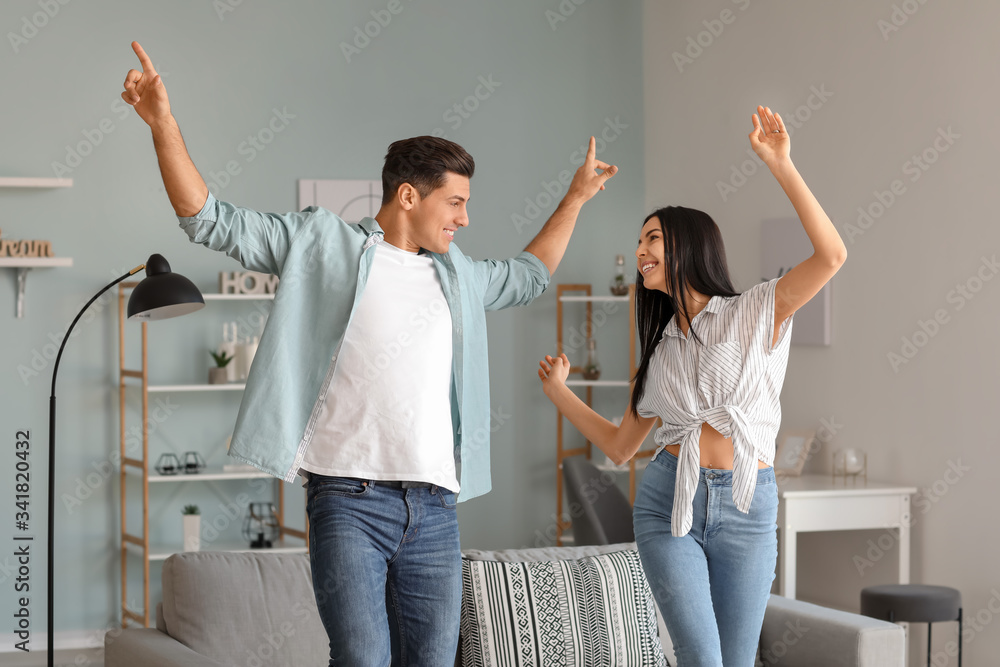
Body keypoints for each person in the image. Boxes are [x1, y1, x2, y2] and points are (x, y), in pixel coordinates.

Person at [121, 41, 617, 665]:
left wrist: (574, 198)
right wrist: (163, 123)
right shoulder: (320, 243)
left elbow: (529, 274)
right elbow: (209, 220)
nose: (465, 217)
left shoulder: (458, 274)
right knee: (362, 659)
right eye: (456, 201)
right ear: (409, 197)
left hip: (435, 505)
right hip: (348, 501)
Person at [537, 105, 847, 666]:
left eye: (652, 239)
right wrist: (560, 392)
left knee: (734, 661)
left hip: (749, 507)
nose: (641, 251)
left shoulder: (755, 311)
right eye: (639, 242)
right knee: (702, 659)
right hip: (666, 504)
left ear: (688, 245)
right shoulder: (659, 353)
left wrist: (781, 164)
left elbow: (832, 255)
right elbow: (619, 446)